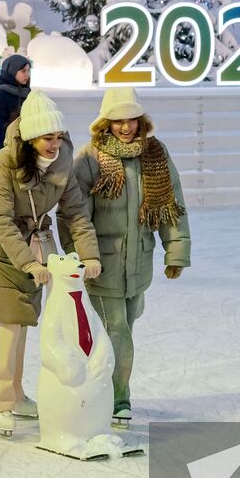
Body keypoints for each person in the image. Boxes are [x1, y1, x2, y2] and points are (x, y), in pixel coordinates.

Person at [0, 89, 100, 438]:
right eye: (47, 137)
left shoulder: (62, 164)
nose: (54, 144)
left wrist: (89, 254)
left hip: (35, 244)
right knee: (9, 323)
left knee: (24, 319)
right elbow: (0, 219)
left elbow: (75, 212)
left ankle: (15, 394)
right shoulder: (5, 161)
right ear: (30, 137)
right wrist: (29, 263)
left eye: (58, 137)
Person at [67, 88, 191, 426]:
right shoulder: (90, 158)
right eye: (118, 120)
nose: (126, 127)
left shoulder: (155, 154)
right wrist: (80, 257)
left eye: (131, 119)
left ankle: (102, 388)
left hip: (139, 262)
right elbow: (76, 215)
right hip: (102, 264)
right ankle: (118, 397)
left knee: (127, 325)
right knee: (116, 328)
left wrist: (175, 250)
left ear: (141, 120)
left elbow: (171, 206)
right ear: (106, 122)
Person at [0, 54, 31, 188]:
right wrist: (3, 156)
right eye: (23, 71)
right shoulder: (1, 97)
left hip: (24, 156)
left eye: (28, 71)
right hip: (4, 155)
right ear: (11, 72)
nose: (26, 74)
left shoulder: (28, 95)